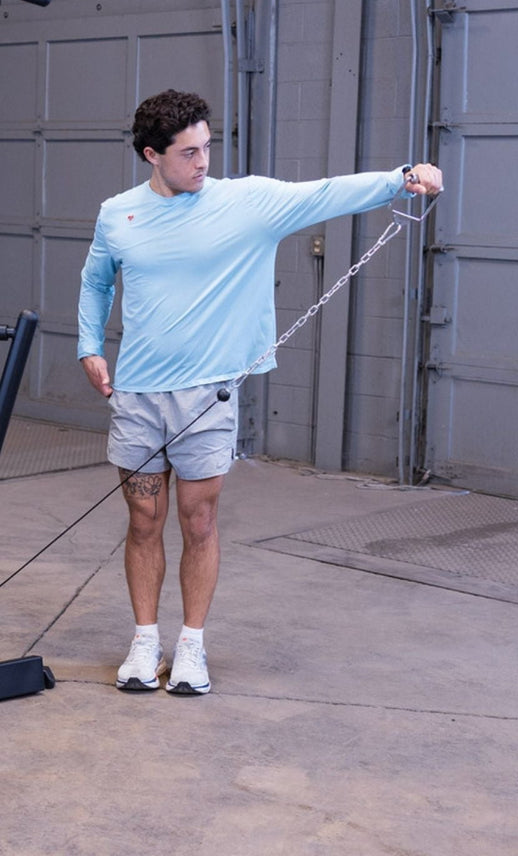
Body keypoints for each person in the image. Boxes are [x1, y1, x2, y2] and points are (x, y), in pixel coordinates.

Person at [77, 89, 443, 695]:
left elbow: (323, 194)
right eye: (189, 153)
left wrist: (402, 178)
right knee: (144, 519)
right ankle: (146, 641)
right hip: (137, 393)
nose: (202, 162)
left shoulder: (247, 203)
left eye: (207, 147)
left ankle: (191, 647)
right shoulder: (118, 213)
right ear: (152, 155)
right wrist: (89, 346)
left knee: (199, 520)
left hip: (206, 396)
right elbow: (95, 283)